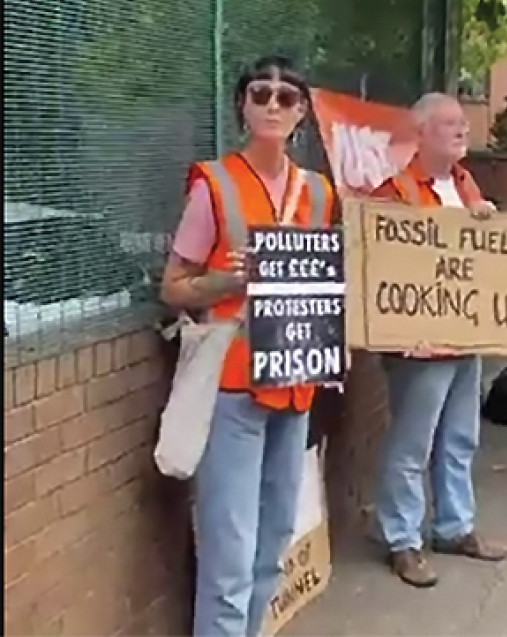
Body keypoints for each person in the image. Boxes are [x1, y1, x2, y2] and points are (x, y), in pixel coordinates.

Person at [160, 55, 336, 637]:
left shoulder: (319, 194)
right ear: (243, 103)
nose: (272, 104)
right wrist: (229, 281)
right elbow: (174, 286)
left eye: (286, 97)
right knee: (230, 556)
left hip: (296, 381)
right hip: (233, 387)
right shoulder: (215, 184)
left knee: (272, 546)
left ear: (302, 112)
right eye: (261, 93)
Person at [371, 92, 507, 589]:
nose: (462, 130)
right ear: (422, 132)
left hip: (464, 339)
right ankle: (401, 540)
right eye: (449, 123)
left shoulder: (468, 185)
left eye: (463, 123)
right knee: (412, 444)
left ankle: (454, 526)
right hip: (420, 346)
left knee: (459, 438)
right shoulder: (396, 193)